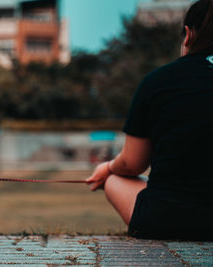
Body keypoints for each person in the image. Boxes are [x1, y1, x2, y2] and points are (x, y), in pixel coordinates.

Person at [86, 0, 213, 241]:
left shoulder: (158, 81)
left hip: (167, 220)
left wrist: (107, 168)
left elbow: (133, 164)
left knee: (115, 179)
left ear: (187, 35)